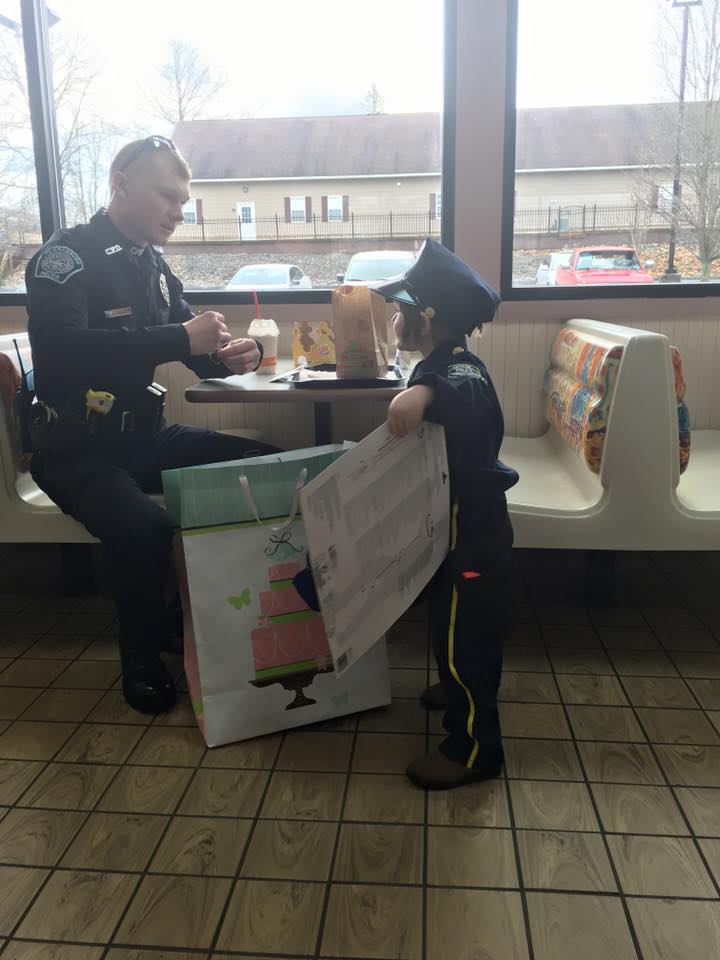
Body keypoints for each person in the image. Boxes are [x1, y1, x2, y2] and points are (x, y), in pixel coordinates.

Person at [25, 135, 278, 715]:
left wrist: (234, 355)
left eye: (183, 201)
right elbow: (62, 351)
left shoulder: (154, 268)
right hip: (76, 449)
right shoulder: (66, 258)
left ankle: (176, 615)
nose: (177, 211)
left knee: (265, 465)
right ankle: (140, 655)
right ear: (120, 183)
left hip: (144, 436)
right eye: (167, 195)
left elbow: (193, 347)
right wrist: (179, 337)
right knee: (143, 527)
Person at [374, 238, 519, 790]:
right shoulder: (438, 360)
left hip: (473, 533)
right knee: (451, 622)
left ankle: (475, 748)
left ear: (426, 320)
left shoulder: (456, 369)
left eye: (400, 310)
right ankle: (456, 681)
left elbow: (461, 390)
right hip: (453, 527)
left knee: (468, 637)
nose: (393, 318)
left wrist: (421, 394)